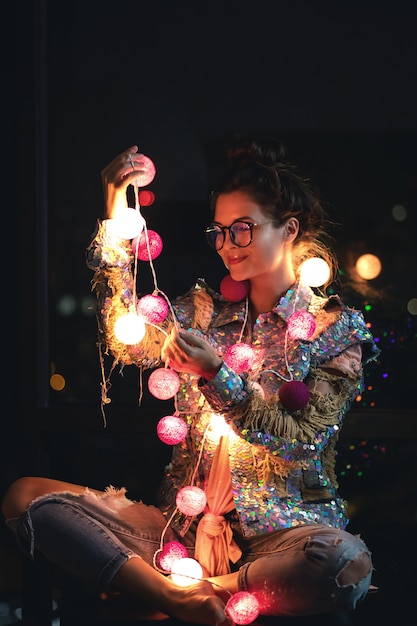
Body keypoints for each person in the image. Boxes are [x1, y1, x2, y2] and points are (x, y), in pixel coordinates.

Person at [2, 137, 380, 624]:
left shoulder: (332, 329)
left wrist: (217, 375)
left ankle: (182, 588)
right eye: (219, 232)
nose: (227, 245)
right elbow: (128, 340)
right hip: (179, 533)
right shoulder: (205, 313)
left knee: (345, 565)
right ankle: (176, 597)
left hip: (282, 538)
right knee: (24, 498)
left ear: (289, 229)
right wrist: (117, 220)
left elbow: (304, 439)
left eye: (242, 229)